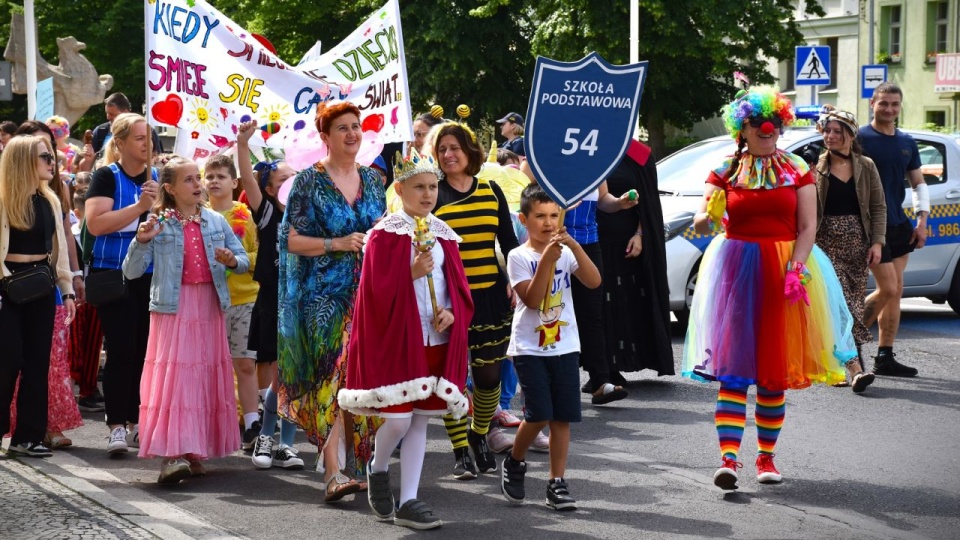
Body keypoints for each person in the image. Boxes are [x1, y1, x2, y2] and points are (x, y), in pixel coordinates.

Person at [681, 86, 856, 490]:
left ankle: (766, 458)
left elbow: (808, 226)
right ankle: (728, 459)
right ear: (741, 129)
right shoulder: (725, 169)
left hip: (785, 271)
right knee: (734, 369)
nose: (767, 128)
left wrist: (796, 266)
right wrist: (707, 214)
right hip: (736, 271)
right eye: (757, 123)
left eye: (774, 123)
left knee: (774, 371)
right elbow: (703, 222)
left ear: (780, 125)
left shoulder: (797, 168)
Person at [338, 149, 474, 530]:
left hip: (435, 339)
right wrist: (410, 272)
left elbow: (457, 288)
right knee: (397, 421)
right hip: (399, 340)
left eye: (432, 186)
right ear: (400, 189)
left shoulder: (445, 234)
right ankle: (378, 467)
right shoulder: (385, 234)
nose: (428, 194)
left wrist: (452, 311)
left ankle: (411, 499)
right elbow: (373, 293)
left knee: (419, 423)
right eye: (419, 187)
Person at [278, 101, 385, 500]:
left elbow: (386, 231)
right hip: (321, 298)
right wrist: (335, 243)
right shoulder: (309, 182)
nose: (352, 133)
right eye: (342, 128)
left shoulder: (374, 181)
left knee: (362, 379)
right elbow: (290, 239)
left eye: (356, 126)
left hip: (368, 296)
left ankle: (364, 465)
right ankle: (333, 472)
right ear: (325, 137)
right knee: (329, 379)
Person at [122, 156, 247, 484]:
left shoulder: (216, 221)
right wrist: (142, 240)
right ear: (170, 188)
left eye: (198, 178)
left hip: (208, 306)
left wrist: (233, 259)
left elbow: (244, 260)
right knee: (176, 382)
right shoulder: (159, 222)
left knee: (201, 378)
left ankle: (194, 449)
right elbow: (131, 271)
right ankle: (171, 453)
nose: (198, 185)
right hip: (173, 309)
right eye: (189, 180)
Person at [425, 121, 520, 480]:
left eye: (455, 148)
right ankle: (459, 449)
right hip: (448, 299)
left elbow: (509, 242)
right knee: (451, 376)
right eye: (442, 150)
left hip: (491, 296)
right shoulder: (433, 194)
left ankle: (478, 434)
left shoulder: (492, 190)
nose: (448, 155)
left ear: (470, 150)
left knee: (488, 376)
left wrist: (515, 277)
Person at [500, 183, 601, 510]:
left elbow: (594, 280)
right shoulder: (518, 256)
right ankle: (515, 461)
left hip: (565, 345)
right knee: (539, 413)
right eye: (540, 216)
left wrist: (574, 245)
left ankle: (556, 482)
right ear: (524, 219)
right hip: (529, 347)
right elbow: (531, 299)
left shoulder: (566, 251)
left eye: (554, 216)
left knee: (562, 418)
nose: (547, 223)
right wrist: (547, 260)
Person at [84, 113, 159, 456]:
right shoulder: (106, 176)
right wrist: (140, 207)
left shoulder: (157, 177)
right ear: (122, 143)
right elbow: (97, 224)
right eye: (140, 138)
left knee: (145, 353)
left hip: (149, 275)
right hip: (114, 274)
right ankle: (116, 424)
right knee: (121, 350)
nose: (147, 144)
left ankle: (136, 422)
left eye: (149, 138)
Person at [0, 135, 77, 457]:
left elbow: (57, 252)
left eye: (52, 156)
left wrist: (68, 289)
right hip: (6, 287)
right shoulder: (4, 199)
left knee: (36, 364)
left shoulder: (51, 199)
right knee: (7, 360)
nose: (52, 162)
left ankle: (26, 438)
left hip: (41, 288)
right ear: (23, 161)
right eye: (45, 156)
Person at [234, 122, 303, 472]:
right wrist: (242, 145)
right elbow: (247, 178)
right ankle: (266, 433)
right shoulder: (267, 213)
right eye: (284, 181)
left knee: (293, 374)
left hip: (302, 299)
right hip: (273, 300)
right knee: (279, 373)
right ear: (271, 189)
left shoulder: (309, 216)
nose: (292, 185)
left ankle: (287, 444)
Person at [814, 106, 885, 393]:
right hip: (826, 242)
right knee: (839, 304)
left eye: (837, 132)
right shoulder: (816, 166)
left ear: (850, 135)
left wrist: (877, 242)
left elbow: (879, 206)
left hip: (858, 242)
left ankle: (838, 365)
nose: (830, 136)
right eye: (827, 131)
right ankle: (855, 368)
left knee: (852, 304)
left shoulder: (865, 165)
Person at [859, 82, 928, 377]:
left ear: (900, 107)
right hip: (871, 226)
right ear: (872, 103)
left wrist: (922, 221)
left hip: (899, 224)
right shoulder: (859, 138)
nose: (889, 109)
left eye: (895, 104)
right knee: (886, 288)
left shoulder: (907, 142)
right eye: (883, 103)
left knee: (895, 291)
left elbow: (918, 183)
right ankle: (843, 344)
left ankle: (884, 356)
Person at [596, 142, 674, 380]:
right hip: (592, 239)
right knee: (597, 305)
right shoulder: (589, 147)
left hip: (627, 242)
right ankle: (600, 370)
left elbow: (649, 201)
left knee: (624, 304)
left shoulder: (639, 153)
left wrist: (640, 234)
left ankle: (617, 365)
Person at [203, 154, 262, 450]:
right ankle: (217, 421)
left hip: (245, 298)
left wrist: (236, 260)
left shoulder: (247, 216)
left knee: (245, 363)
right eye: (209, 176)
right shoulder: (198, 216)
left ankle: (252, 422)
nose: (214, 181)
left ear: (234, 182)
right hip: (211, 302)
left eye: (220, 176)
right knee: (212, 366)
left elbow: (258, 257)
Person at [81, 92, 164, 172]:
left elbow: (157, 159)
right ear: (119, 143)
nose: (108, 117)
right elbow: (85, 171)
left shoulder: (146, 130)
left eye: (112, 114)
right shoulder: (100, 131)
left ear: (125, 112)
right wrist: (87, 159)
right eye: (107, 113)